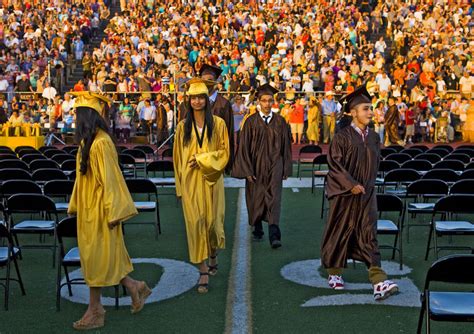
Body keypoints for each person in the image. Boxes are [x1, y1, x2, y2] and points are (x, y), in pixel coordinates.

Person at [67, 92, 151, 330]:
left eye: (78, 115)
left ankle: (95, 310)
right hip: (89, 209)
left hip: (102, 211)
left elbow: (111, 180)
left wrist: (114, 213)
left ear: (86, 117)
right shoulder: (89, 141)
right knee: (100, 259)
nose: (75, 119)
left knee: (97, 260)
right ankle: (135, 287)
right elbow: (82, 180)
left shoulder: (101, 143)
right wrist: (76, 205)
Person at [321, 84, 399, 301]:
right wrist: (350, 184)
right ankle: (334, 273)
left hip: (366, 195)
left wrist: (366, 185)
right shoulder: (342, 137)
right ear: (353, 112)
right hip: (345, 195)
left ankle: (378, 280)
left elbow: (375, 164)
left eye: (371, 108)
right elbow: (334, 165)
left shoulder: (374, 137)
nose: (370, 112)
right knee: (340, 231)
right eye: (365, 108)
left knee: (368, 233)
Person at [173, 78, 230, 294]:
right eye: (193, 98)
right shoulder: (181, 128)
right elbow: (178, 159)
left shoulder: (218, 124)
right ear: (189, 101)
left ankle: (213, 253)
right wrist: (179, 188)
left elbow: (225, 153)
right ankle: (203, 269)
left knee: (213, 223)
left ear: (206, 99)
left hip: (212, 180)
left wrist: (202, 159)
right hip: (190, 182)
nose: (197, 101)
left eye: (200, 97)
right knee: (195, 223)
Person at [232, 83, 292, 249]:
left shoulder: (280, 122)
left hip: (275, 164)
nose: (267, 104)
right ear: (258, 102)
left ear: (273, 102)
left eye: (269, 100)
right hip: (256, 165)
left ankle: (274, 233)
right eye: (264, 100)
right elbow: (243, 147)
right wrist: (247, 169)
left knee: (274, 198)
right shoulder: (250, 122)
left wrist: (286, 167)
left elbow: (286, 146)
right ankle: (257, 226)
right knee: (256, 198)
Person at [179, 64, 234, 173]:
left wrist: (226, 162)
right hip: (191, 159)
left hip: (214, 161)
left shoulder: (223, 104)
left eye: (210, 80)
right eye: (203, 80)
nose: (206, 83)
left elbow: (228, 135)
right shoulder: (188, 104)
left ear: (216, 81)